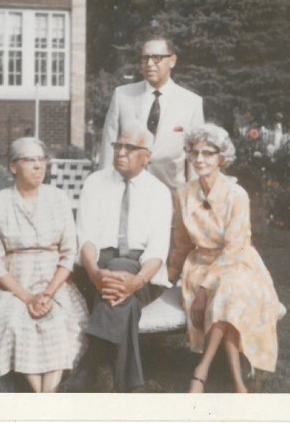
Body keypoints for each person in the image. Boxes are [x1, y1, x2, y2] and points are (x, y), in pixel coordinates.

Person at [167, 124, 284, 393]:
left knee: (228, 292)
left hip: (239, 263)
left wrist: (204, 291)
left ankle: (202, 370)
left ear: (222, 158)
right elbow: (182, 242)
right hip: (199, 265)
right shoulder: (183, 193)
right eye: (194, 152)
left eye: (208, 153)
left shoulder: (236, 195)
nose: (199, 159)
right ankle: (237, 383)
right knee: (228, 298)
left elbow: (234, 248)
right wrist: (171, 276)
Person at [63, 122, 173, 392]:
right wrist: (96, 275)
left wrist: (137, 281)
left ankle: (88, 367)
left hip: (145, 273)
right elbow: (86, 239)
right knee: (125, 301)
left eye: (130, 147)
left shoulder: (159, 192)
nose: (121, 152)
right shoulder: (95, 183)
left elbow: (158, 250)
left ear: (147, 155)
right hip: (96, 269)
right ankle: (130, 386)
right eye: (118, 145)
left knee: (123, 271)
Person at [0, 137, 88, 392]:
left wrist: (48, 293)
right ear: (13, 166)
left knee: (61, 320)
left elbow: (69, 253)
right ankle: (41, 394)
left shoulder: (59, 199)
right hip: (13, 285)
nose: (39, 166)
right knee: (17, 320)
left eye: (42, 159)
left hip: (54, 281)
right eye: (30, 160)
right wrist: (28, 298)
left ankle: (44, 397)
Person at [99, 35, 204, 190]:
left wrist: (194, 198)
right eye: (145, 58)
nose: (149, 64)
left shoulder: (191, 103)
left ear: (172, 61)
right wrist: (105, 189)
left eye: (156, 58)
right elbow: (108, 147)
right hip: (128, 191)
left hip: (171, 195)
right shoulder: (122, 96)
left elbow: (195, 156)